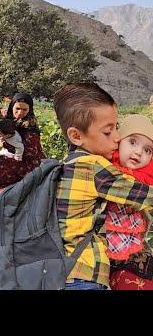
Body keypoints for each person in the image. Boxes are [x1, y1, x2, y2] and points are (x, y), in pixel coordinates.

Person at [52, 82, 153, 290]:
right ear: (76, 136)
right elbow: (144, 196)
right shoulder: (95, 168)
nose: (117, 137)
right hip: (85, 273)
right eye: (108, 132)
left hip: (60, 271)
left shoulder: (68, 163)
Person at [105, 114, 153, 290]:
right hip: (100, 249)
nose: (139, 152)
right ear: (118, 141)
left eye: (148, 150)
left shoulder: (147, 179)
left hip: (133, 250)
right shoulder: (104, 169)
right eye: (132, 142)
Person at [0, 92, 45, 192]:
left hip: (29, 164)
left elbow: (31, 152)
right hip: (14, 158)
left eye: (24, 109)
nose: (20, 113)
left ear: (30, 110)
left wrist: (6, 144)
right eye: (17, 109)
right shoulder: (10, 118)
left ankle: (9, 187)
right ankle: (2, 186)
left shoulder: (30, 125)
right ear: (12, 107)